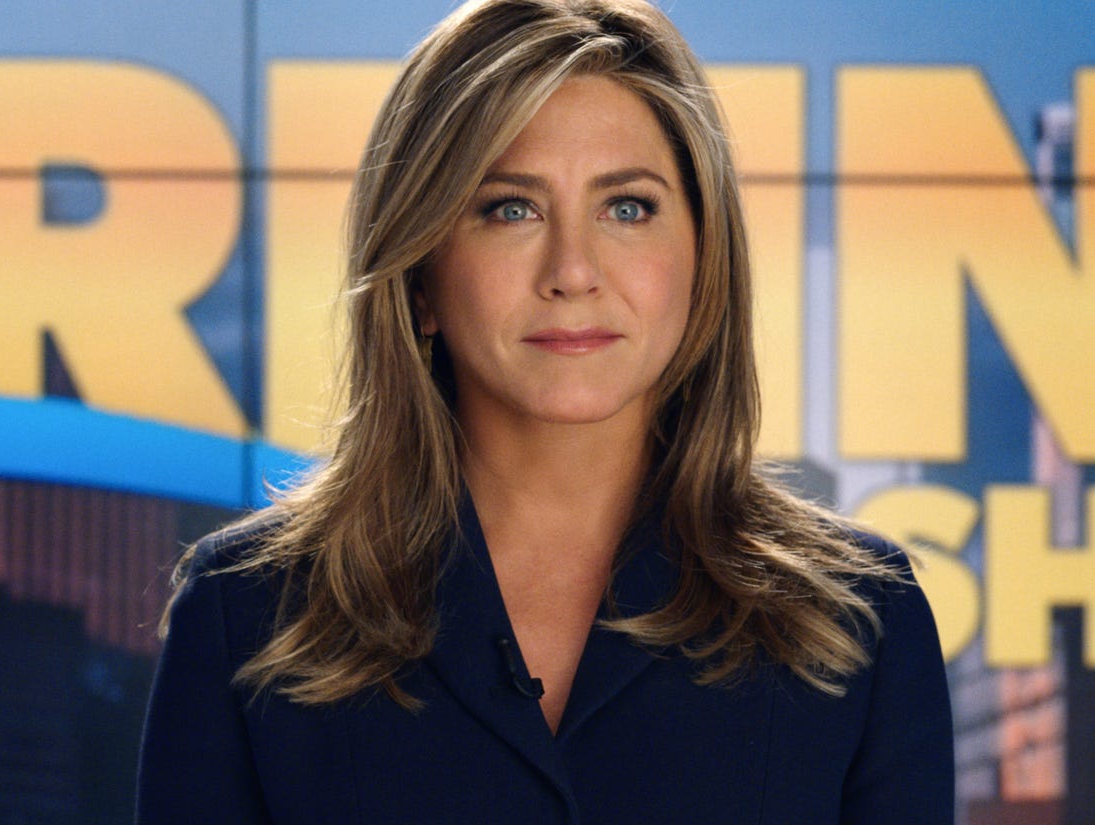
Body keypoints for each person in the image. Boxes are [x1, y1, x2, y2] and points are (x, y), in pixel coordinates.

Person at [136, 0, 954, 822]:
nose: (572, 271)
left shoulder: (861, 623)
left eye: (627, 207)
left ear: (703, 259)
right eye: (511, 208)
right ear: (419, 277)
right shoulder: (246, 615)